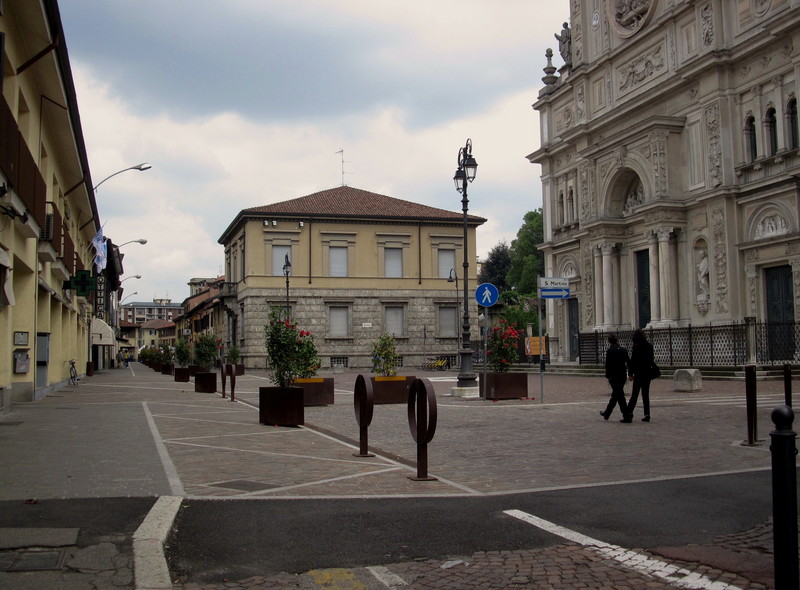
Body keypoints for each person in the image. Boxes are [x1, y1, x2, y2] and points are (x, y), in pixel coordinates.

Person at [600, 333, 632, 422]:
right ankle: (607, 413)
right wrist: (630, 373)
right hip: (622, 376)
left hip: (614, 376)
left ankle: (626, 416)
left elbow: (608, 365)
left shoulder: (610, 351)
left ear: (609, 341)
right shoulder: (623, 350)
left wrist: (608, 375)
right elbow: (629, 363)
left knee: (620, 396)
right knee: (616, 395)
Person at [627, 329, 654, 422]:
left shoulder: (636, 347)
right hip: (647, 373)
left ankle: (629, 412)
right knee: (645, 394)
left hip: (639, 373)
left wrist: (630, 373)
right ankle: (647, 414)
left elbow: (633, 361)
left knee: (635, 394)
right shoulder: (649, 346)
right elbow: (651, 360)